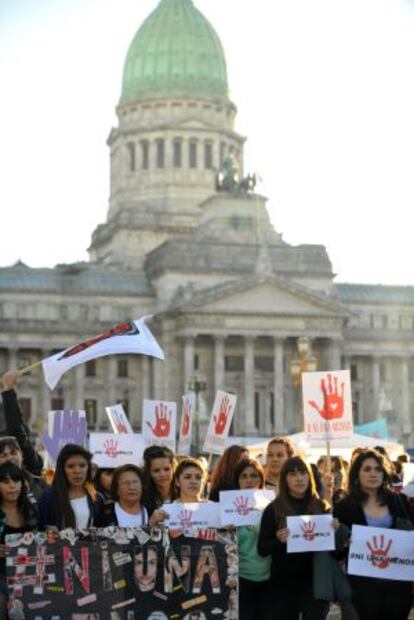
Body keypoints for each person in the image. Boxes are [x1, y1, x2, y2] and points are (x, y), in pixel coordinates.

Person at [334, 449, 414, 620]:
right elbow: (337, 552)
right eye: (367, 469)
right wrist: (340, 536)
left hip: (398, 586)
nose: (373, 474)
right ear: (357, 474)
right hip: (363, 587)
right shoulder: (344, 507)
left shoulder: (399, 501)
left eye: (378, 469)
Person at [258, 456, 333, 620]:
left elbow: (334, 551)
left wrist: (335, 532)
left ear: (309, 476)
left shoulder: (322, 507)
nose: (299, 478)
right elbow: (262, 549)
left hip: (315, 584)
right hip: (284, 585)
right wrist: (278, 540)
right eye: (292, 474)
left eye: (303, 473)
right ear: (284, 479)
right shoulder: (273, 509)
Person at [232, 457, 271, 620]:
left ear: (261, 479)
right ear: (237, 480)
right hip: (241, 579)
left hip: (269, 578)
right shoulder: (228, 508)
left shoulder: (271, 505)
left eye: (254, 475)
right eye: (244, 476)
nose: (249, 480)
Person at [0, 462, 39, 616]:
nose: (12, 486)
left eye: (16, 480)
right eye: (5, 481)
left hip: (29, 575)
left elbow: (39, 541)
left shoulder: (30, 510)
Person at [1, 370, 47, 500]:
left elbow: (18, 432)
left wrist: (9, 391)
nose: (10, 458)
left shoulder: (33, 471)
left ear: (22, 454)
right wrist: (8, 391)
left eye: (13, 453)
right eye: (3, 455)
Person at [38, 444, 101, 529]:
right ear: (62, 469)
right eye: (70, 466)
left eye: (82, 466)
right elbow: (41, 529)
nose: (77, 471)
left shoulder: (96, 497)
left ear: (88, 468)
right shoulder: (48, 497)